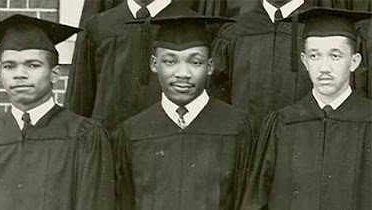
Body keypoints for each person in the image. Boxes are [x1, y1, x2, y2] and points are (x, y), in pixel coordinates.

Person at [112, 9, 253, 210]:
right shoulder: (132, 132)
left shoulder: (238, 127)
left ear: (210, 66)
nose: (182, 73)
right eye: (170, 61)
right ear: (154, 64)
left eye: (195, 62)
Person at [0, 15, 114, 210]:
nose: (19, 74)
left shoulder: (85, 135)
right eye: (9, 66)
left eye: (33, 65)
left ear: (54, 74)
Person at [241, 8, 372, 210]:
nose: (324, 68)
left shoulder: (368, 121)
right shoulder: (282, 124)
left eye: (335, 56)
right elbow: (256, 202)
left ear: (354, 62)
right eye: (314, 56)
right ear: (304, 61)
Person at [64, 0, 191, 131]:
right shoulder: (98, 27)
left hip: (171, 141)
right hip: (109, 142)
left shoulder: (190, 23)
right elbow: (80, 100)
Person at [211, 0, 314, 131]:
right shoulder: (235, 30)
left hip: (304, 142)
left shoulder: (322, 27)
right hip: (245, 144)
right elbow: (216, 96)